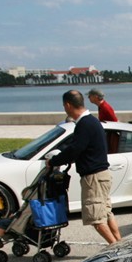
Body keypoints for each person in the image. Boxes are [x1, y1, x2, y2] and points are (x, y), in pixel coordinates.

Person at [46, 90, 121, 244]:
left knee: (96, 218)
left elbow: (74, 149)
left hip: (93, 177)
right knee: (106, 213)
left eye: (64, 106)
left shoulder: (84, 124)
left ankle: (116, 248)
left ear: (68, 105)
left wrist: (54, 161)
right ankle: (120, 243)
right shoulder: (92, 121)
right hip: (102, 174)